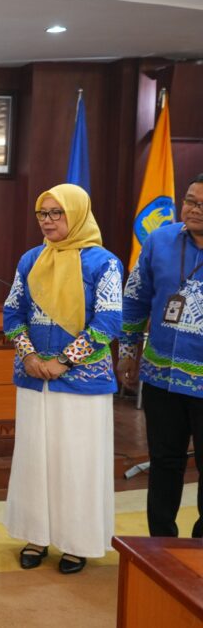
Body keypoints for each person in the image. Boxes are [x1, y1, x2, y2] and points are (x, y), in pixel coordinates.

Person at [2, 184, 122, 574]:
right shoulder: (31, 259)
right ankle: (36, 535)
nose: (48, 220)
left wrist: (65, 361)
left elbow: (109, 321)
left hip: (82, 381)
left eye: (57, 213)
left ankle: (76, 542)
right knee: (35, 459)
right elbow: (12, 312)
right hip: (35, 377)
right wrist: (29, 354)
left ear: (77, 214)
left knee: (76, 461)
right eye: (43, 213)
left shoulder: (103, 263)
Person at [119, 172, 203, 539]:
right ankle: (160, 546)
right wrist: (127, 351)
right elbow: (135, 299)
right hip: (161, 378)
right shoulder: (159, 240)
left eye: (202, 205)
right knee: (165, 463)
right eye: (189, 201)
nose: (193, 209)